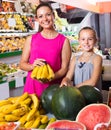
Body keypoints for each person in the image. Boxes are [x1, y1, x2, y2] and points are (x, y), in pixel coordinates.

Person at [19, 2, 71, 98]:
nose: (45, 19)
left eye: (48, 15)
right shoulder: (31, 39)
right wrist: (32, 66)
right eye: (41, 16)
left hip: (53, 90)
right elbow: (22, 64)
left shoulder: (64, 41)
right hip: (32, 88)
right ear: (37, 19)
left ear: (53, 15)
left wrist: (49, 78)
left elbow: (64, 69)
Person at [60, 26, 102, 91]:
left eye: (90, 39)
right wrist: (65, 80)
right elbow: (68, 77)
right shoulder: (75, 59)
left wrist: (74, 88)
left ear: (95, 40)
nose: (86, 42)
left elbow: (93, 82)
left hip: (92, 97)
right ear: (79, 41)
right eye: (83, 39)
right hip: (78, 97)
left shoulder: (97, 58)